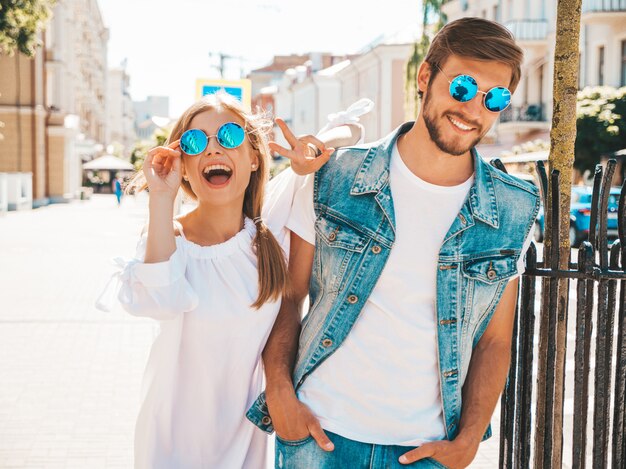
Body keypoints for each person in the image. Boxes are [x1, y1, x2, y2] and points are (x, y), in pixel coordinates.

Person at [247, 17, 540, 469]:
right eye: (462, 87)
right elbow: (289, 293)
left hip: (427, 451)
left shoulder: (512, 210)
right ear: (425, 77)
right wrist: (280, 391)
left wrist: (467, 441)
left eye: (495, 97)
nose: (473, 109)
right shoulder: (336, 177)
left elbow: (495, 341)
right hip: (320, 435)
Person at [96, 91, 365, 468]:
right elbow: (162, 302)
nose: (213, 149)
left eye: (230, 137)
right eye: (194, 142)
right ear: (184, 165)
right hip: (171, 449)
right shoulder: (169, 238)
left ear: (254, 157)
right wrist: (161, 196)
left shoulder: (268, 227)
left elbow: (352, 126)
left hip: (243, 449)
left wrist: (314, 151)